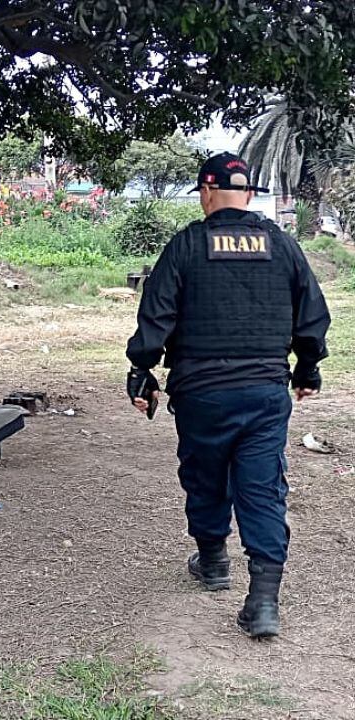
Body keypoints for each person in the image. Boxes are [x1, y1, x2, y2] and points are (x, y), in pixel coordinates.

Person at [125, 152, 330, 639]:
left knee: (205, 473)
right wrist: (307, 369)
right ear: (251, 195)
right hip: (264, 393)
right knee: (261, 488)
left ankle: (214, 562)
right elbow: (312, 315)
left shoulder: (186, 246)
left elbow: (156, 318)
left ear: (205, 193)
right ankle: (262, 602)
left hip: (202, 395)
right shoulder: (282, 246)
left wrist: (142, 371)